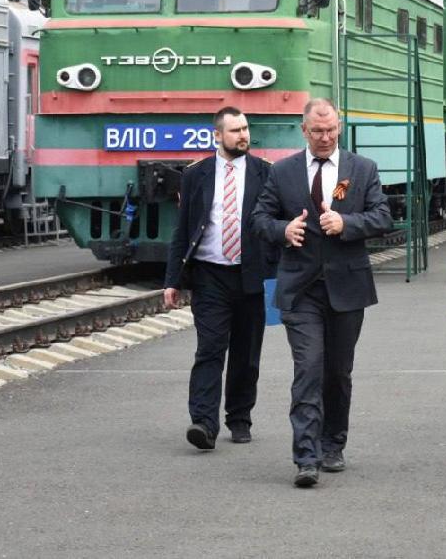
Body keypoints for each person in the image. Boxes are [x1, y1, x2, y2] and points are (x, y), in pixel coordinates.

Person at [251, 98, 392, 488]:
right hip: (300, 289)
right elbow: (259, 218)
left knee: (337, 373)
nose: (325, 137)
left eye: (331, 130)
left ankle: (334, 443)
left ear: (340, 127)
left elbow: (383, 216)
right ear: (304, 131)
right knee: (308, 368)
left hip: (348, 287)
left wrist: (345, 222)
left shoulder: (362, 170)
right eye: (317, 131)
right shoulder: (282, 173)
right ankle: (306, 457)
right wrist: (283, 231)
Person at [164, 107, 275, 451]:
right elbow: (183, 230)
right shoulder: (196, 174)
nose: (243, 135)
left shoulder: (266, 173)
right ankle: (203, 423)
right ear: (217, 135)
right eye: (235, 130)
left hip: (252, 276)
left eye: (245, 129)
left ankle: (240, 418)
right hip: (210, 275)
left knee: (246, 353)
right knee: (209, 349)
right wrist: (173, 280)